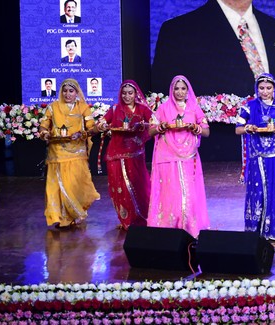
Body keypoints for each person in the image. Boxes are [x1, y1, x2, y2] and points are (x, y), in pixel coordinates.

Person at [236, 73, 275, 240]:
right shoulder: (250, 106)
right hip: (257, 156)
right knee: (258, 190)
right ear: (257, 89)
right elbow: (238, 129)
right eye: (261, 88)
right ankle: (256, 231)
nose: (265, 91)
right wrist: (248, 128)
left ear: (274, 89)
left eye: (268, 88)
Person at [147, 75, 210, 237]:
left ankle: (188, 227)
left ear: (188, 90)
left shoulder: (194, 108)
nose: (180, 92)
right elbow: (150, 131)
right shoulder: (163, 108)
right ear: (171, 90)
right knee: (171, 192)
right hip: (167, 155)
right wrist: (160, 127)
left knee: (188, 191)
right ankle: (170, 228)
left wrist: (197, 128)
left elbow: (206, 131)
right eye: (176, 88)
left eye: (183, 88)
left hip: (188, 155)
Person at [37, 78, 100, 228]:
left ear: (77, 92)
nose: (67, 94)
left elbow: (92, 128)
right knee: (57, 186)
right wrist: (44, 133)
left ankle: (75, 213)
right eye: (65, 91)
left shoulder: (83, 107)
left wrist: (83, 134)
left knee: (75, 185)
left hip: (77, 153)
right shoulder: (53, 107)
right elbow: (43, 126)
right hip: (57, 152)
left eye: (71, 91)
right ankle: (61, 217)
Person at [95, 80, 152, 230]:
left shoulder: (142, 109)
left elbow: (155, 123)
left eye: (130, 93)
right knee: (120, 187)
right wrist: (103, 125)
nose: (127, 96)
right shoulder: (115, 109)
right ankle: (127, 220)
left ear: (135, 94)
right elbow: (100, 123)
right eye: (124, 93)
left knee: (139, 185)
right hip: (116, 154)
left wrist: (142, 125)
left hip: (136, 155)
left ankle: (143, 217)